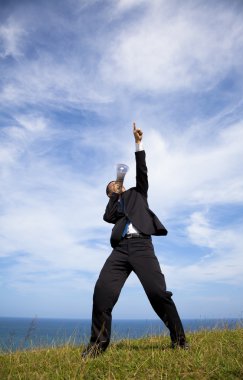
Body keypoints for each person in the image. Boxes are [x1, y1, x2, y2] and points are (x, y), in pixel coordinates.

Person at [82, 123, 187, 359]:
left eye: (116, 185)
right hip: (120, 250)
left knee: (158, 294)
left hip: (141, 246)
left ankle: (180, 341)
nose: (115, 187)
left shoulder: (137, 194)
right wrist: (113, 194)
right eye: (110, 189)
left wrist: (138, 144)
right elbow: (107, 216)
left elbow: (142, 172)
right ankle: (97, 346)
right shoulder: (115, 208)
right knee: (102, 292)